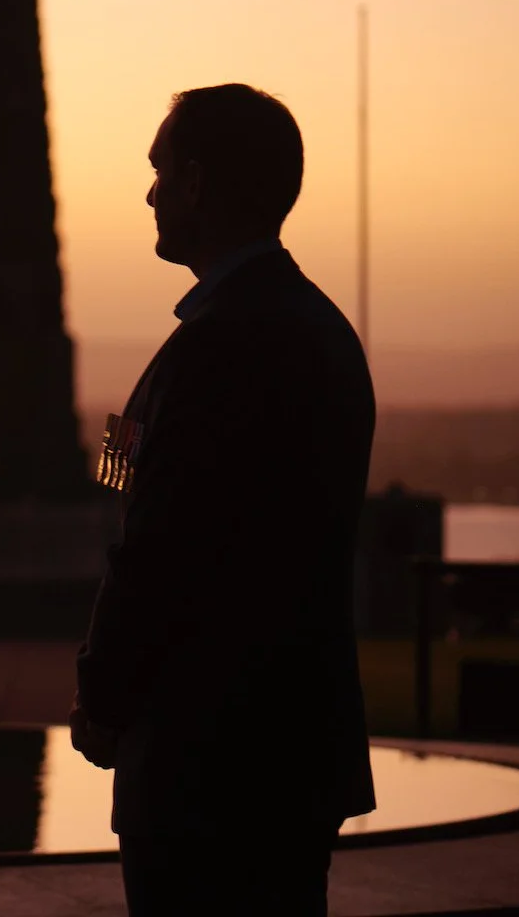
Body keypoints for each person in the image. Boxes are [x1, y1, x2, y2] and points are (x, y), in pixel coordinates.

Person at [71, 84, 377, 915]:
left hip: (212, 761)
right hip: (277, 751)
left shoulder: (222, 349)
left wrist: (102, 695)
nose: (150, 194)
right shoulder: (303, 329)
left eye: (161, 172)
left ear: (198, 184)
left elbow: (160, 551)